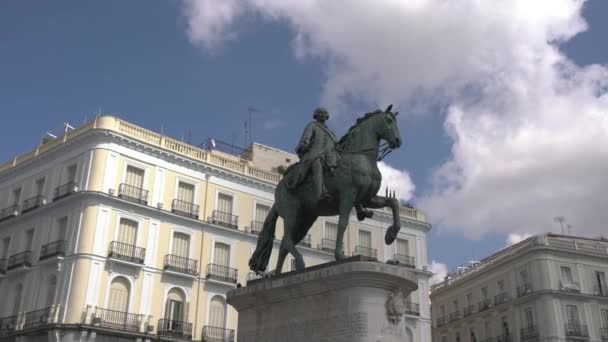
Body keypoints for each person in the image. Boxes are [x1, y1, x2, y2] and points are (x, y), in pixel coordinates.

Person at [295, 107, 339, 201]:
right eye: (320, 113)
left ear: (327, 116)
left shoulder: (331, 133)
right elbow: (305, 138)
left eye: (324, 113)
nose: (322, 114)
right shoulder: (312, 125)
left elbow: (337, 145)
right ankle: (320, 194)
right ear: (316, 116)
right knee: (317, 165)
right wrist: (305, 144)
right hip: (315, 153)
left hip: (331, 156)